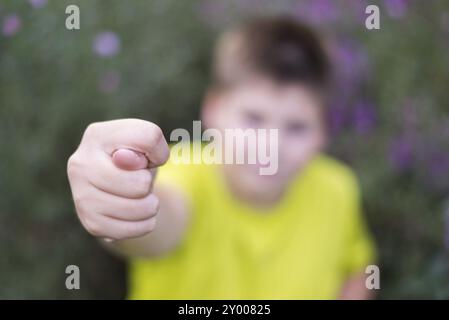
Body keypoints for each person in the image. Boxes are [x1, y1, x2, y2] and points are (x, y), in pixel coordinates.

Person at [67, 16, 376, 299]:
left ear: (323, 132)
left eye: (297, 127)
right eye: (253, 118)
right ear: (213, 110)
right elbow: (159, 220)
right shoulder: (182, 172)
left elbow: (356, 267)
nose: (271, 145)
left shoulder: (338, 189)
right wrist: (123, 197)